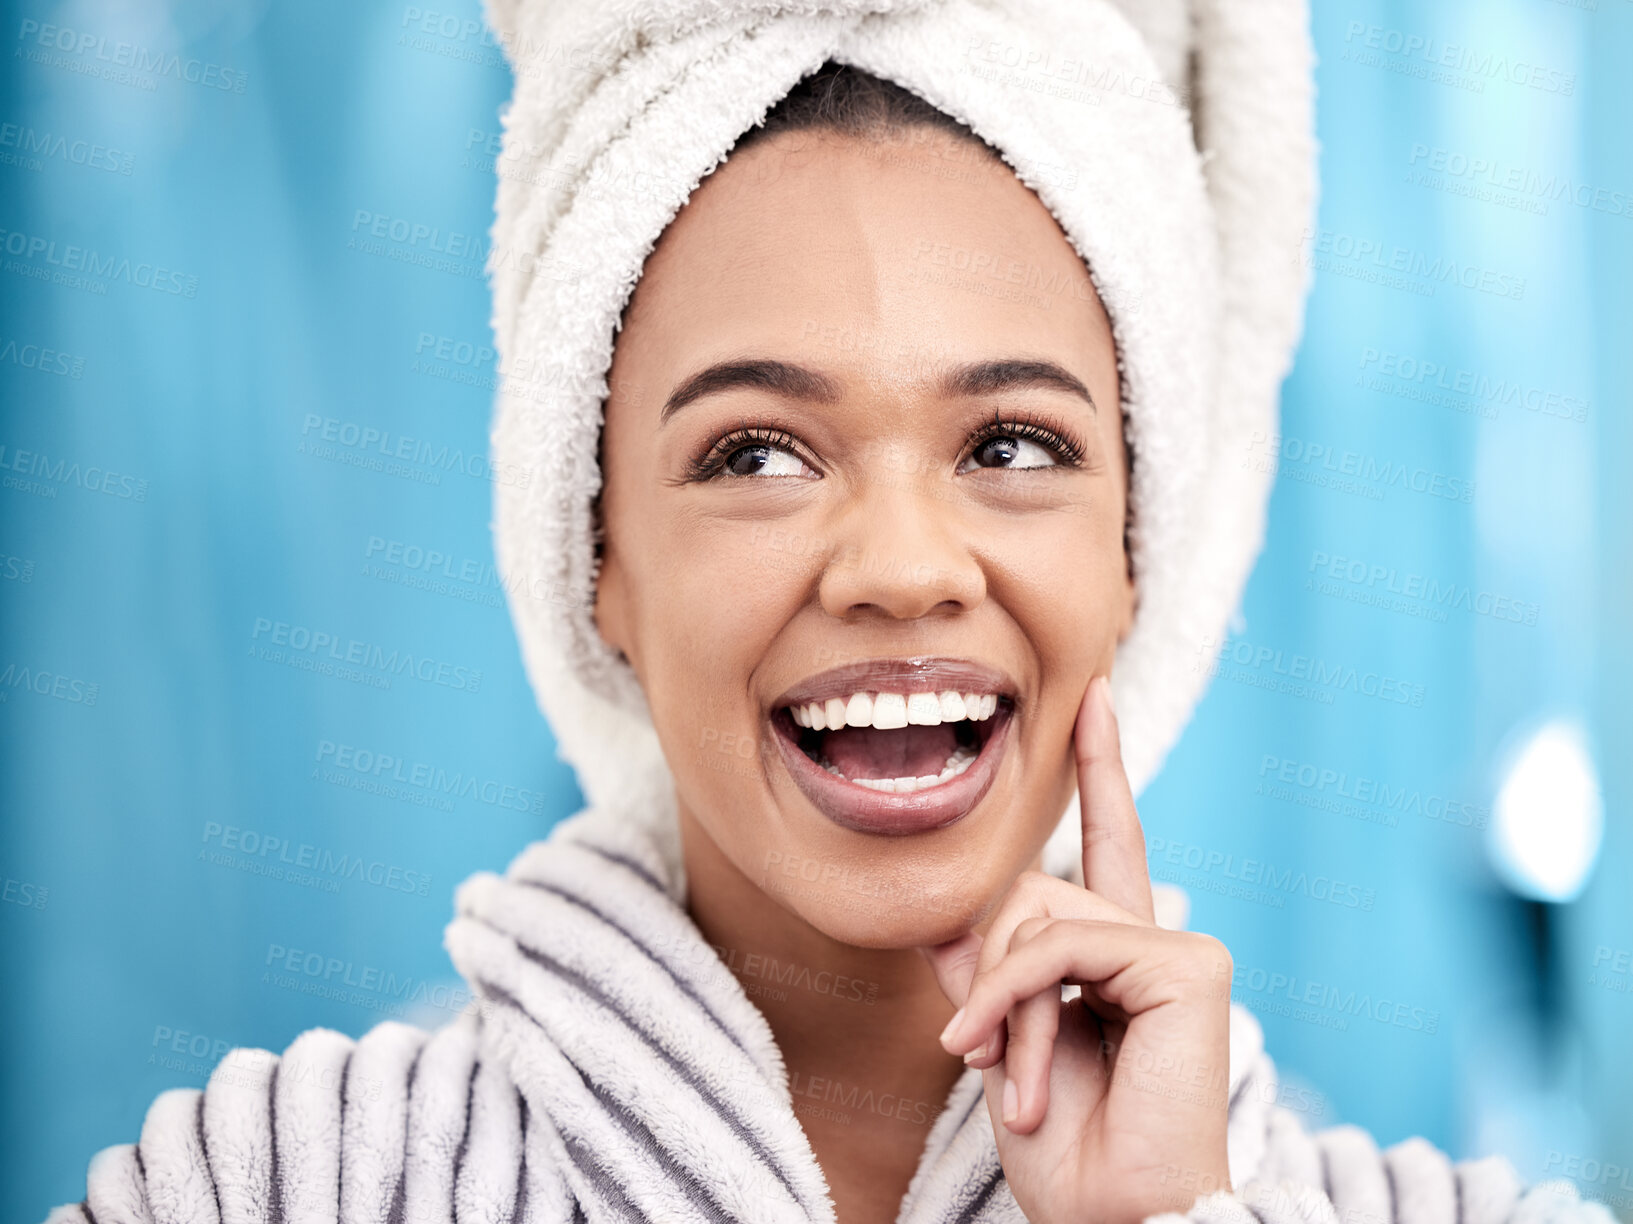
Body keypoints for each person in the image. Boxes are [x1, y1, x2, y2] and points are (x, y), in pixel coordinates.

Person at [42, 3, 1618, 1223]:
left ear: (1140, 545)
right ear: (592, 552)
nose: (899, 564)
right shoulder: (265, 1188)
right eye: (755, 453)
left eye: (1012, 445)